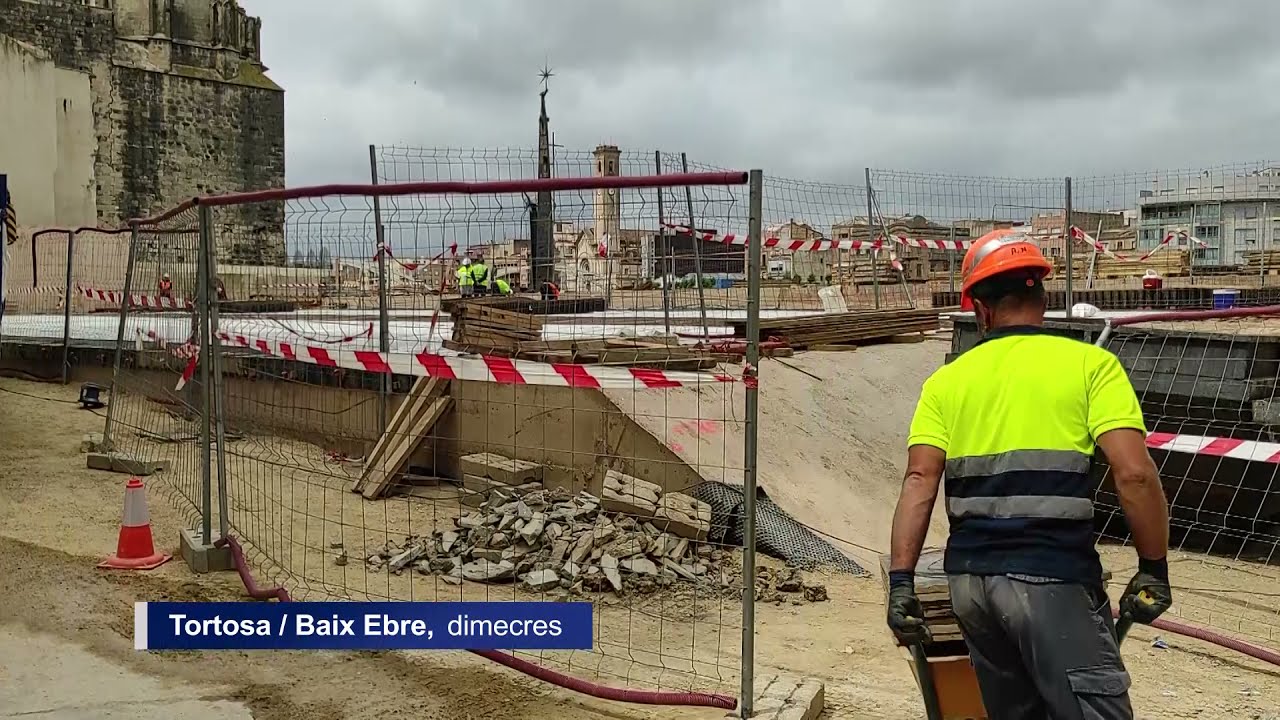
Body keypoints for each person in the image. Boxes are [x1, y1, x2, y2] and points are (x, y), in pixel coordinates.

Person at [886, 230, 1173, 720]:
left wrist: (901, 584)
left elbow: (919, 480)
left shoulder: (946, 381)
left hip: (971, 586)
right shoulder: (1091, 366)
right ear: (1043, 298)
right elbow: (1135, 475)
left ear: (981, 309)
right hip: (1052, 578)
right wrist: (1154, 569)